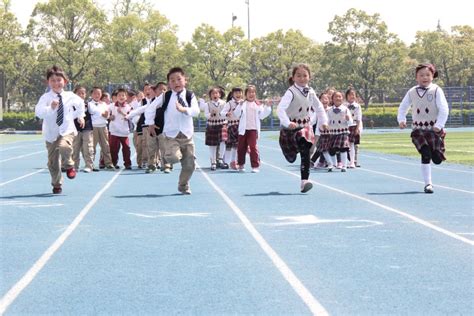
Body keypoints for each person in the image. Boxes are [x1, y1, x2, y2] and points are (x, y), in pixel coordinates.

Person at [145, 67, 200, 194]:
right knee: (173, 158)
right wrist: (150, 123)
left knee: (190, 166)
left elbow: (196, 111)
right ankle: (171, 155)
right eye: (172, 80)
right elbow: (150, 108)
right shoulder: (166, 96)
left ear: (185, 80)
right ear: (169, 83)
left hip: (187, 135)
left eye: (179, 79)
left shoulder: (190, 95)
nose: (176, 83)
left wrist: (184, 110)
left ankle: (183, 185)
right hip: (171, 135)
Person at [398, 63, 449, 193]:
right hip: (418, 130)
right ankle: (428, 184)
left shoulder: (437, 90)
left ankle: (438, 150)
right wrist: (402, 120)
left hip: (433, 130)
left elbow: (444, 109)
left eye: (427, 75)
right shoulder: (412, 91)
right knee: (425, 153)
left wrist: (439, 125)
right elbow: (403, 107)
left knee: (437, 160)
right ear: (416, 77)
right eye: (421, 75)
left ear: (432, 76)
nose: (424, 77)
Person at [277, 63, 328, 192]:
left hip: (304, 127)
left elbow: (319, 108)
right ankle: (290, 152)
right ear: (293, 78)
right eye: (298, 76)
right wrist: (287, 123)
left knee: (305, 149)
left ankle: (304, 181)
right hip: (289, 129)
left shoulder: (311, 92)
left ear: (309, 77)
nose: (302, 78)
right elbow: (280, 109)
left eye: (305, 75)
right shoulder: (290, 92)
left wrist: (324, 122)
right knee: (291, 157)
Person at [34, 65, 85, 194]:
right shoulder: (45, 98)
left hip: (67, 129)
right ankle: (57, 184)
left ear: (65, 81)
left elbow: (80, 105)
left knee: (64, 146)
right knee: (52, 162)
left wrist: (80, 116)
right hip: (51, 133)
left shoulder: (70, 95)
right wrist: (50, 108)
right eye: (53, 80)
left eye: (59, 80)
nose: (56, 83)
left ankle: (69, 165)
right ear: (48, 82)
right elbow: (39, 112)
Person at [234, 85, 271, 173]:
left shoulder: (258, 104)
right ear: (245, 94)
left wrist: (267, 107)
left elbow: (262, 116)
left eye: (253, 92)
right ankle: (241, 165)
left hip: (253, 130)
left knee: (253, 148)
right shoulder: (243, 104)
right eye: (249, 92)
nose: (251, 94)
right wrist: (240, 105)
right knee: (241, 148)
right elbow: (236, 114)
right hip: (243, 130)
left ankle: (255, 166)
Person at [322, 91, 353, 172]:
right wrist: (325, 125)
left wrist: (348, 119)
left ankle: (344, 166)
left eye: (340, 96)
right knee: (332, 150)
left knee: (343, 148)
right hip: (333, 132)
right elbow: (326, 120)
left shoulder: (345, 109)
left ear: (342, 99)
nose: (338, 98)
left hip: (343, 131)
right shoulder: (329, 110)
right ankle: (332, 164)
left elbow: (351, 123)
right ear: (332, 99)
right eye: (336, 97)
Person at [201, 86, 228, 170]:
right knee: (212, 145)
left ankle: (220, 159)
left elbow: (226, 113)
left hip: (222, 124)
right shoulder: (207, 104)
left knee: (223, 142)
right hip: (212, 125)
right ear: (210, 96)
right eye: (213, 93)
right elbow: (206, 115)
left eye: (216, 93)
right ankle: (213, 162)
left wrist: (225, 114)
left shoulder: (224, 103)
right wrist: (210, 115)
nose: (215, 95)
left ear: (219, 94)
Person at [72, 85, 96, 173]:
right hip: (75, 129)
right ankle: (74, 166)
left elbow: (96, 111)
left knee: (88, 147)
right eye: (79, 93)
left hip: (87, 128)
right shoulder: (71, 105)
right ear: (74, 94)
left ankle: (89, 165)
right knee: (75, 148)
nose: (81, 95)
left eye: (83, 93)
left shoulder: (88, 104)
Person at [108, 88, 132, 169]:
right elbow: (105, 114)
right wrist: (109, 117)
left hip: (124, 131)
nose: (121, 97)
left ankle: (127, 164)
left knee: (126, 148)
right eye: (119, 95)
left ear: (126, 97)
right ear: (116, 97)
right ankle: (114, 163)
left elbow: (129, 117)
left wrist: (121, 112)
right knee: (113, 149)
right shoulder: (111, 106)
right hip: (114, 131)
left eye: (123, 95)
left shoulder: (128, 107)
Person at [221, 87, 243, 170]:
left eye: (240, 93)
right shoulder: (229, 103)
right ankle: (227, 161)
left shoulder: (243, 103)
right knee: (231, 145)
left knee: (238, 145)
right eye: (236, 93)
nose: (238, 94)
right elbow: (222, 113)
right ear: (232, 94)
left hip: (241, 126)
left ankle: (234, 161)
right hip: (232, 126)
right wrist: (227, 114)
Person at [345, 87, 363, 168]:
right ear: (347, 96)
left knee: (352, 144)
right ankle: (344, 162)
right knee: (345, 145)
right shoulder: (344, 105)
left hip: (354, 125)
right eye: (350, 95)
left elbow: (359, 118)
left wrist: (357, 128)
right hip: (345, 126)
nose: (352, 96)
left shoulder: (357, 106)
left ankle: (352, 162)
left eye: (353, 95)